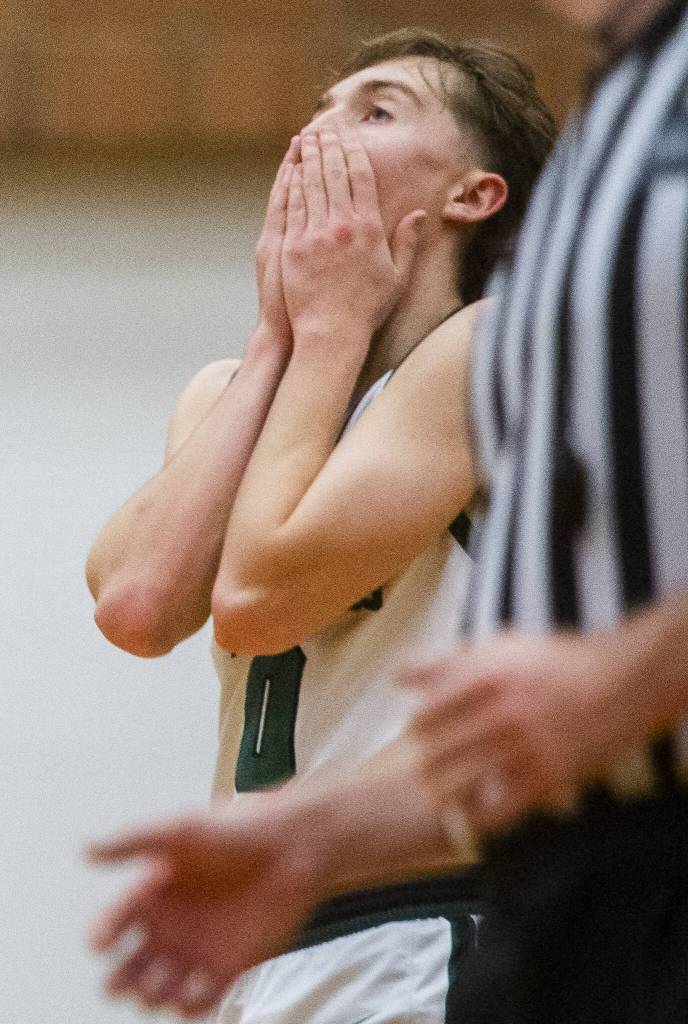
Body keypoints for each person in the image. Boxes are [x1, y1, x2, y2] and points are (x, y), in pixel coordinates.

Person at [89, 1, 688, 1021]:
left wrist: (323, 330)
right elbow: (140, 602)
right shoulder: (229, 389)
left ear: (475, 192)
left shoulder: (489, 347)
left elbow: (257, 594)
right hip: (270, 931)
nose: (318, 131)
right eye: (319, 108)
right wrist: (281, 341)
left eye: (375, 111)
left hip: (426, 921)